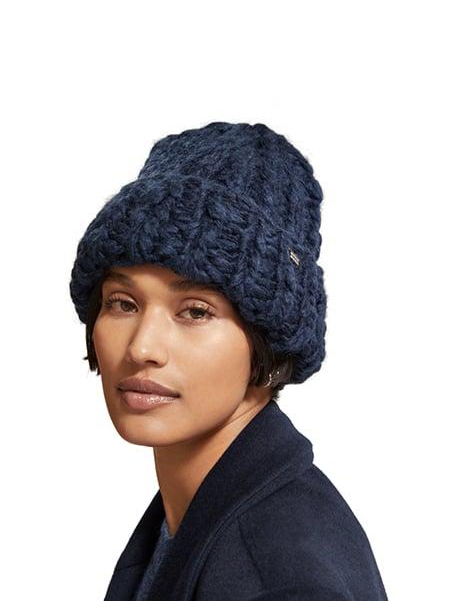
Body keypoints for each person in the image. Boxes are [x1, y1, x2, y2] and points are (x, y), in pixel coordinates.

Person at [69, 121, 388, 600]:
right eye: (123, 303)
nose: (141, 348)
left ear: (268, 338)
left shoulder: (279, 578)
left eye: (196, 311)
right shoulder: (189, 518)